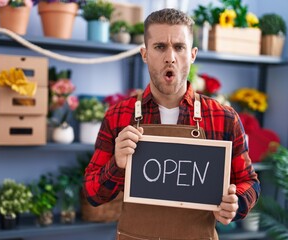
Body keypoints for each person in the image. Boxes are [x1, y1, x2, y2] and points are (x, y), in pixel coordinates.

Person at [83, 8, 260, 240]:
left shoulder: (224, 118)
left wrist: (236, 203)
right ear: (144, 54)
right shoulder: (118, 115)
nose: (170, 57)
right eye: (159, 47)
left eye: (179, 47)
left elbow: (250, 182)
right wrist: (117, 163)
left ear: (193, 54)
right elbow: (93, 194)